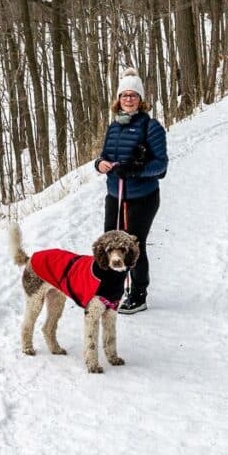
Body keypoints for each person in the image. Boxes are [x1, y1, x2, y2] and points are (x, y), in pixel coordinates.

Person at [94, 68, 168, 314]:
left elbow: (161, 166)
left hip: (141, 198)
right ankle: (110, 286)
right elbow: (106, 155)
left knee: (133, 245)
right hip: (115, 194)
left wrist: (135, 170)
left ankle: (138, 293)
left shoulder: (151, 127)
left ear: (140, 99)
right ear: (118, 99)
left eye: (133, 95)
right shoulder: (114, 127)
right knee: (109, 242)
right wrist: (100, 164)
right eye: (124, 95)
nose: (128, 99)